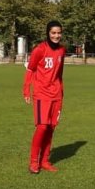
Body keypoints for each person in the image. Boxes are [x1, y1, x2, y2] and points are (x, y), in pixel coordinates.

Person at [23, 20, 66, 174]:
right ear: (48, 33)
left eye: (59, 33)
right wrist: (26, 90)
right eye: (53, 33)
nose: (56, 36)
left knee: (51, 128)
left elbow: (60, 73)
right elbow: (30, 70)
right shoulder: (39, 50)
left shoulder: (62, 50)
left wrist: (61, 91)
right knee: (42, 127)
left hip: (57, 95)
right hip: (42, 94)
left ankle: (45, 161)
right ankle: (34, 162)